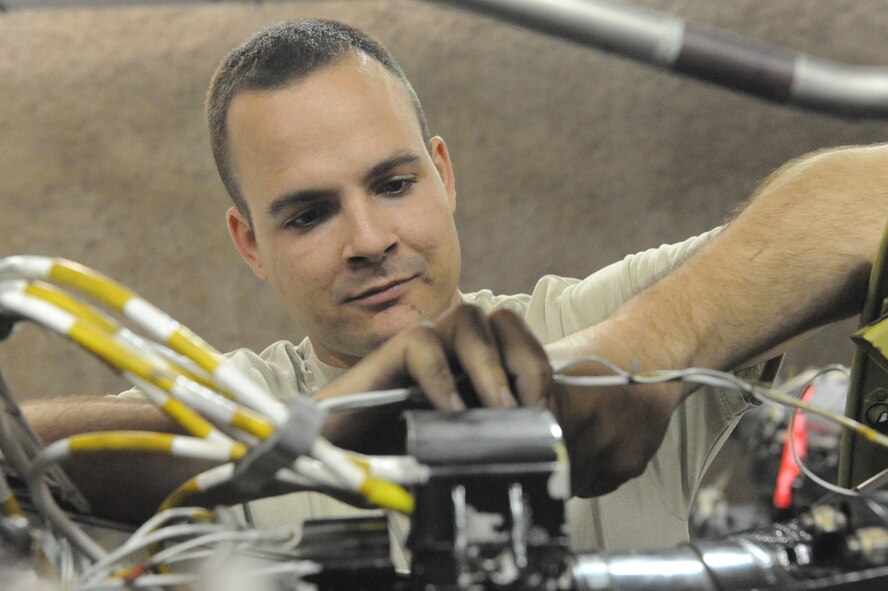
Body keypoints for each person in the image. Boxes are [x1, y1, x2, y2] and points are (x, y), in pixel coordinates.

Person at [23, 18, 888, 553]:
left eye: (394, 185)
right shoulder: (230, 402)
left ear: (443, 176)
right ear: (251, 243)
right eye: (309, 215)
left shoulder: (586, 318)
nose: (369, 239)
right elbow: (26, 451)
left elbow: (867, 196)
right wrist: (316, 432)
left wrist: (641, 352)